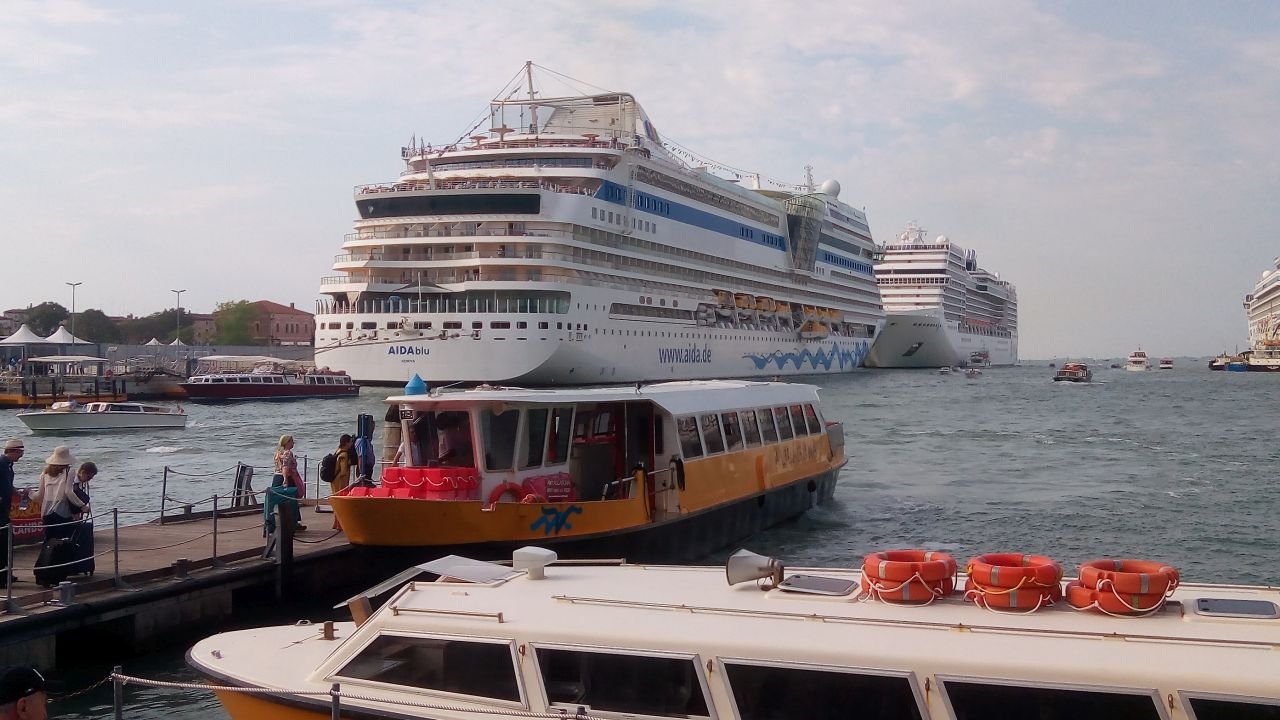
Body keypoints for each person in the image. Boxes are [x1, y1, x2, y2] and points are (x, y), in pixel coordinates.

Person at [31, 447, 86, 541]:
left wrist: (29, 493)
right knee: (63, 541)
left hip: (46, 513)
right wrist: (82, 505)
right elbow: (68, 492)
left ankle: (48, 556)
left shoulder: (45, 472)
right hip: (62, 512)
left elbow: (39, 495)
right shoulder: (70, 471)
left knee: (49, 541)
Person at [1, 439, 24, 583]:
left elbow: (8, 484)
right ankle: (2, 575)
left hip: (5, 507)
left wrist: (17, 492)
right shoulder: (2, 464)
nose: (21, 456)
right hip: (1, 508)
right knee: (2, 541)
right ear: (13, 451)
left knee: (6, 541)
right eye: (20, 452)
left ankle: (6, 572)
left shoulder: (8, 465)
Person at [271, 436, 305, 531]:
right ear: (287, 443)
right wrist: (285, 479)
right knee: (291, 500)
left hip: (276, 477)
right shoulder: (288, 453)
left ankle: (277, 521)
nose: (293, 443)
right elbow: (285, 467)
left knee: (278, 500)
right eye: (292, 441)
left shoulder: (278, 453)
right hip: (287, 477)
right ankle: (293, 523)